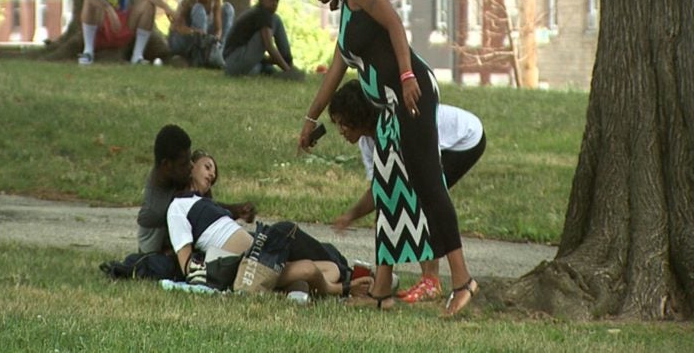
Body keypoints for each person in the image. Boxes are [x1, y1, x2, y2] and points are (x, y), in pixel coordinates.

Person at [298, 0, 479, 314]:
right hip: (387, 110)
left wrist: (407, 76)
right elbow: (333, 73)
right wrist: (309, 119)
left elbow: (396, 25)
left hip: (410, 95)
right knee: (387, 189)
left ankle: (462, 281)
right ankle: (381, 289)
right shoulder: (346, 9)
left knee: (430, 185)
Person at [329, 79, 486, 303]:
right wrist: (350, 215)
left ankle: (431, 281)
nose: (340, 131)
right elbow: (379, 190)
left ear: (359, 117)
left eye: (343, 123)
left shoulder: (398, 129)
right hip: (443, 143)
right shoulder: (369, 142)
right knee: (403, 195)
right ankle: (413, 283)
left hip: (464, 139)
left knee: (421, 196)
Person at [167, 149, 373, 298]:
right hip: (245, 268)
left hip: (263, 258)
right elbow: (187, 266)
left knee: (329, 268)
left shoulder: (206, 204)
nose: (212, 175)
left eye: (213, 174)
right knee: (288, 234)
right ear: (191, 165)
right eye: (207, 166)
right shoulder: (178, 207)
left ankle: (341, 282)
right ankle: (348, 284)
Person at [137, 126, 256, 255]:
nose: (191, 166)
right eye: (184, 163)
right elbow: (202, 212)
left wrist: (237, 210)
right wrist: (235, 211)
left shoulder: (175, 175)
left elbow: (204, 207)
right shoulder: (157, 209)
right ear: (167, 165)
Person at [223, 0, 302, 79]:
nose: (274, 4)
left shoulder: (261, 13)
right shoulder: (262, 13)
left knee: (267, 70)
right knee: (274, 22)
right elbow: (269, 46)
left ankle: (286, 63)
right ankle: (288, 66)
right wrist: (288, 71)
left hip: (234, 64)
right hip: (234, 61)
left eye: (277, 0)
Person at [168, 0, 235, 67]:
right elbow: (177, 27)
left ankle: (219, 53)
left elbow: (218, 28)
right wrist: (195, 33)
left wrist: (216, 38)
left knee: (228, 8)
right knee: (199, 8)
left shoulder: (216, 1)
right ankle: (201, 56)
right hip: (180, 39)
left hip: (201, 37)